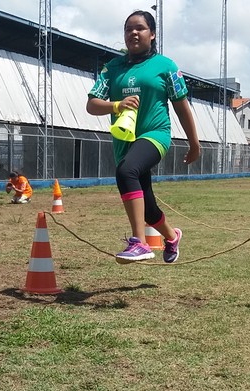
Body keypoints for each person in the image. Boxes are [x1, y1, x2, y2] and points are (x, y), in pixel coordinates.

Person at [86, 10, 200, 264]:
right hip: (124, 141)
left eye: (140, 28)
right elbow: (92, 104)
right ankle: (172, 237)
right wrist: (116, 105)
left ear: (153, 34)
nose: (133, 33)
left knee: (126, 172)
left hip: (155, 135)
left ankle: (139, 242)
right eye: (128, 29)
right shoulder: (112, 68)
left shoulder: (166, 66)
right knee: (147, 208)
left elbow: (182, 106)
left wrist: (194, 143)